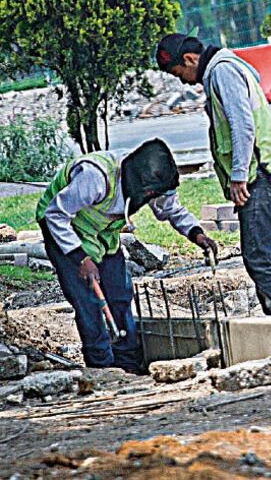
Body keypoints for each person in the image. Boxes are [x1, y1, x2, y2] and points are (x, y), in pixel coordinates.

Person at [36, 139, 217, 373]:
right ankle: (102, 368)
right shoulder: (95, 177)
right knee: (89, 302)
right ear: (141, 183)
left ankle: (128, 365)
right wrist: (81, 258)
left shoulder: (152, 180)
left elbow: (171, 209)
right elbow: (55, 215)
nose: (153, 196)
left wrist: (197, 235)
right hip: (64, 230)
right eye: (152, 193)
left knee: (120, 294)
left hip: (103, 235)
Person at [155, 33, 271, 318]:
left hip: (259, 175)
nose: (182, 80)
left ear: (190, 59)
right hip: (263, 174)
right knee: (269, 250)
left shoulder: (222, 71)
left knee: (258, 255)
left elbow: (242, 125)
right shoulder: (223, 70)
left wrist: (239, 177)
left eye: (178, 72)